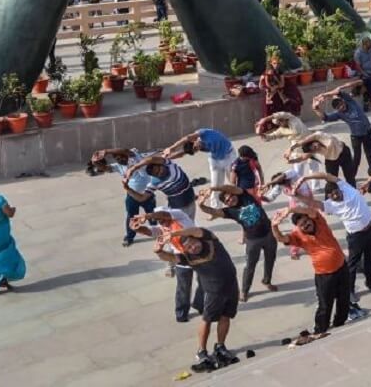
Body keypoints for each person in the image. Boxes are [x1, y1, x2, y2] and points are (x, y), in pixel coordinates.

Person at [150, 225, 239, 371]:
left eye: (193, 243)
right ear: (185, 250)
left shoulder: (210, 240)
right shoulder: (188, 258)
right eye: (189, 247)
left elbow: (193, 230)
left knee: (226, 317)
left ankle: (220, 346)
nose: (193, 247)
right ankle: (202, 351)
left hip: (231, 286)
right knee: (207, 320)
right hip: (212, 292)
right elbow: (170, 257)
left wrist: (174, 233)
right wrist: (158, 251)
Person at [296, 172, 371, 301]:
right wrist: (297, 196)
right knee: (352, 264)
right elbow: (312, 203)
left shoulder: (346, 187)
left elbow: (326, 175)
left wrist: (306, 177)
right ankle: (350, 290)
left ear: (339, 189)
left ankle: (370, 283)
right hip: (356, 236)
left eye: (336, 192)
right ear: (328, 196)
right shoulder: (330, 205)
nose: (336, 195)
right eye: (332, 195)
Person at [271, 207, 356, 334]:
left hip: (342, 267)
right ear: (298, 227)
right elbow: (281, 239)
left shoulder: (319, 221)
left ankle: (339, 323)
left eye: (306, 221)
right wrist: (274, 226)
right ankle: (320, 330)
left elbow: (309, 209)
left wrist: (290, 210)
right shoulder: (297, 236)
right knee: (325, 305)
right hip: (324, 275)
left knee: (344, 299)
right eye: (302, 225)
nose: (306, 225)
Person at [195, 184, 278, 302]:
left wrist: (213, 188)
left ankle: (267, 281)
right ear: (226, 204)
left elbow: (230, 188)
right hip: (253, 240)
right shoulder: (229, 211)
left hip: (269, 235)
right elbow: (212, 211)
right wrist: (201, 205)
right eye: (227, 200)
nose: (230, 200)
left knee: (270, 260)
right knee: (250, 266)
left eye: (231, 196)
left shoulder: (245, 197)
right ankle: (244, 290)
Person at [88, 147, 156, 246]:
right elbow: (106, 168)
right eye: (117, 159)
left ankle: (158, 231)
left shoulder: (136, 159)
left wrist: (106, 151)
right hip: (132, 195)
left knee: (152, 214)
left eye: (122, 158)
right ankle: (129, 237)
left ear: (126, 156)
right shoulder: (119, 166)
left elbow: (125, 150)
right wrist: (95, 162)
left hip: (147, 194)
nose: (120, 161)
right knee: (131, 216)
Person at [313, 84, 371, 176]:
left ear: (343, 101)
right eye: (338, 108)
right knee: (356, 158)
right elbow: (325, 118)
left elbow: (338, 90)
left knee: (370, 154)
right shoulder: (339, 114)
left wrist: (323, 95)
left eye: (341, 105)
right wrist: (317, 109)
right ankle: (352, 176)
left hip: (367, 132)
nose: (341, 108)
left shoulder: (350, 101)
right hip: (356, 136)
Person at [164, 128, 237, 204]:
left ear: (193, 140)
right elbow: (182, 153)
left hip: (229, 156)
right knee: (215, 185)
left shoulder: (203, 133)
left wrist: (171, 148)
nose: (198, 149)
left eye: (196, 148)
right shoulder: (195, 146)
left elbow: (187, 137)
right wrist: (165, 159)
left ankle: (240, 203)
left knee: (234, 182)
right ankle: (215, 209)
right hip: (215, 159)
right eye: (195, 151)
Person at [285, 130, 359, 187]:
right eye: (313, 149)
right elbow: (304, 157)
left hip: (344, 153)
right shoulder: (314, 150)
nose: (316, 148)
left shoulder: (319, 135)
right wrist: (292, 161)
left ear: (313, 141)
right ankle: (330, 201)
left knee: (350, 177)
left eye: (314, 146)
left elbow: (302, 141)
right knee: (331, 182)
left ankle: (355, 195)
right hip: (331, 160)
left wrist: (291, 148)